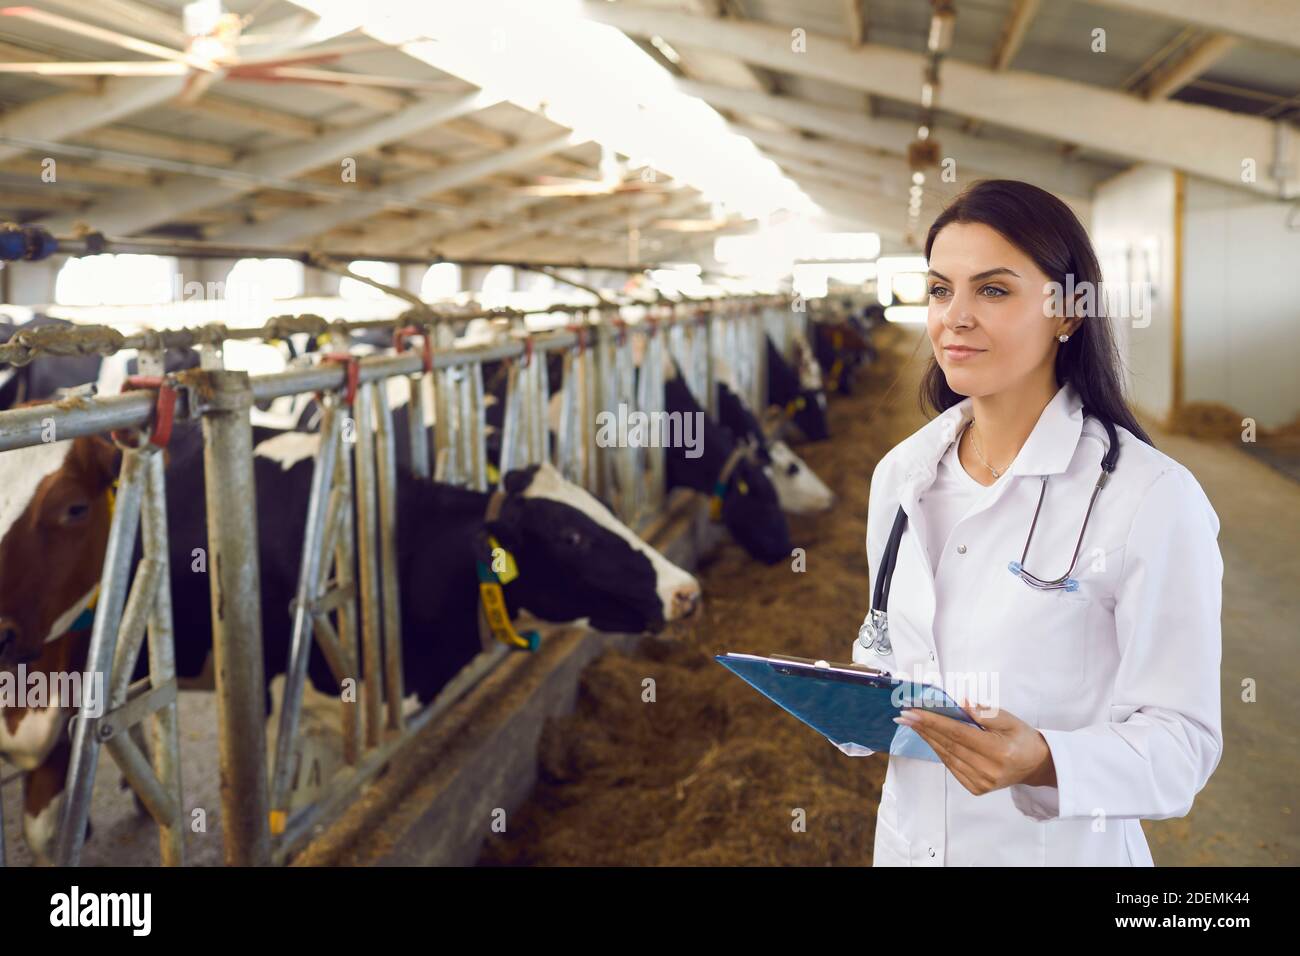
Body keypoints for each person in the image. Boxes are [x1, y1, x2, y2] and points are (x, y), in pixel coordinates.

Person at [841, 179, 1224, 866]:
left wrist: (1045, 760)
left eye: (992, 290)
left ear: (1068, 313)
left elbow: (1182, 744)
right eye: (938, 289)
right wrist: (851, 700)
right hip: (907, 843)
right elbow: (883, 644)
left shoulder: (1149, 498)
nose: (954, 317)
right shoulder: (902, 476)